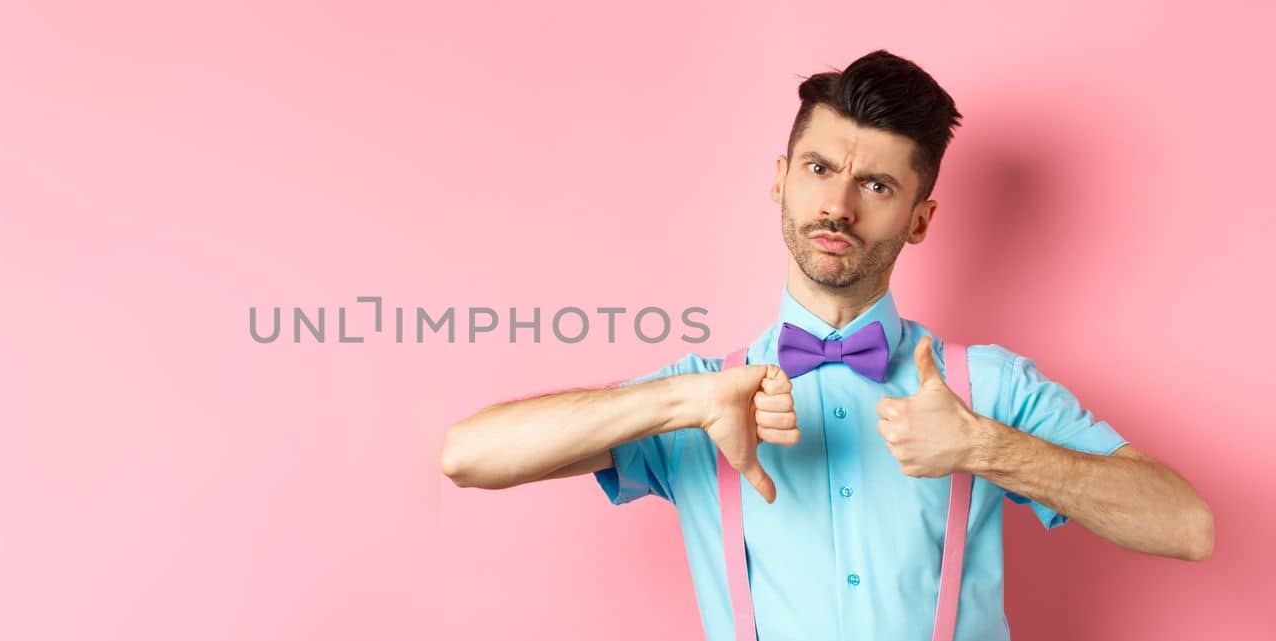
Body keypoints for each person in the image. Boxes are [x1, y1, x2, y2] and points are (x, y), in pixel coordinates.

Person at [438, 49, 1214, 641]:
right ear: (781, 179)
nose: (838, 204)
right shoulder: (706, 394)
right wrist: (685, 399)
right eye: (818, 169)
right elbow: (469, 455)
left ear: (919, 218)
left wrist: (986, 447)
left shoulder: (989, 391)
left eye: (876, 185)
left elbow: (1187, 525)